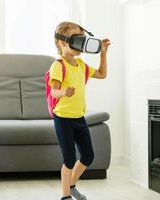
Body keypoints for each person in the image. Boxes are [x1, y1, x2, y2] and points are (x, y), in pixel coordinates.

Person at [49, 21, 110, 200]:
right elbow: (53, 90)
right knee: (69, 159)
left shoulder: (81, 65)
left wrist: (103, 54)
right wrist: (63, 92)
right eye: (76, 39)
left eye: (82, 40)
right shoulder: (58, 65)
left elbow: (102, 74)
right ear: (62, 43)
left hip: (79, 117)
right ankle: (66, 195)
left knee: (88, 156)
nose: (81, 44)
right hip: (63, 118)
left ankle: (71, 184)